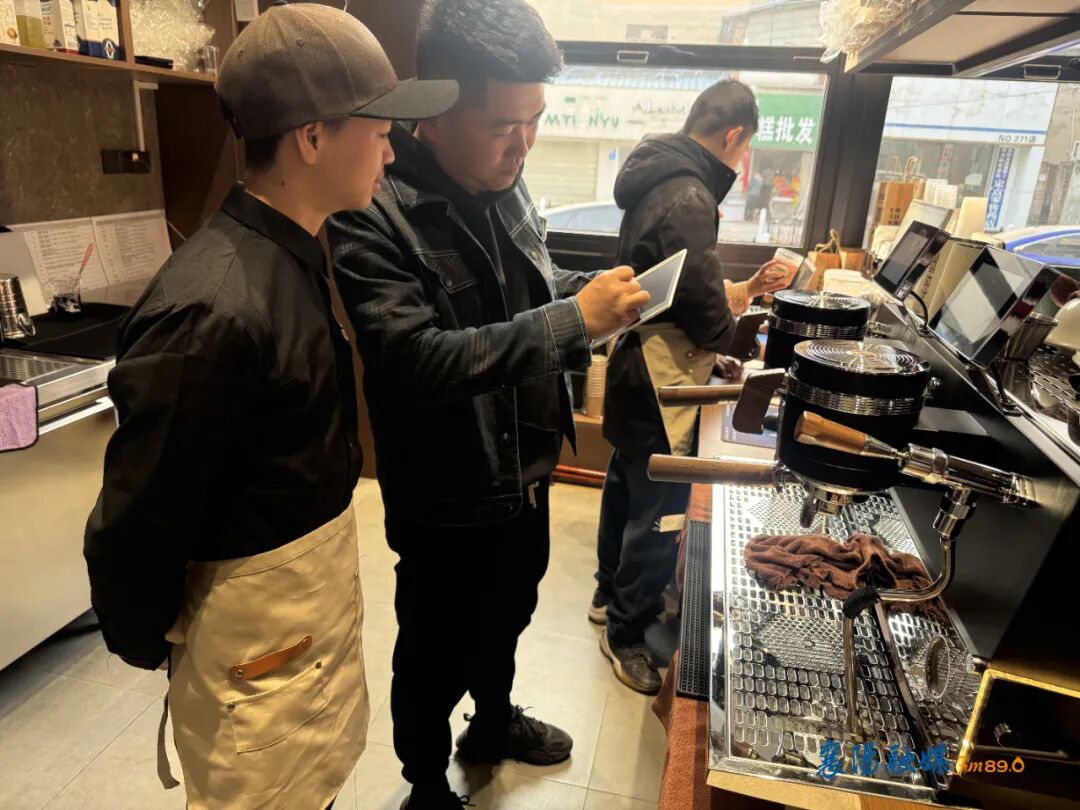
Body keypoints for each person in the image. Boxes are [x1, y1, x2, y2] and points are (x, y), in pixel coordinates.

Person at [83, 6, 458, 809]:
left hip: (297, 636)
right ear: (311, 137)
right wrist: (159, 640)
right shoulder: (213, 307)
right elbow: (139, 519)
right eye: (379, 130)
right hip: (252, 652)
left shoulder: (294, 251)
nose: (392, 150)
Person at [327, 0, 649, 806]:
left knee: (510, 611)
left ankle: (494, 723)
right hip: (447, 490)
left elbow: (527, 290)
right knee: (433, 650)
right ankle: (424, 781)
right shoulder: (373, 209)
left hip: (526, 466)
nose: (523, 144)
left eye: (535, 120)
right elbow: (415, 360)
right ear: (435, 110)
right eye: (505, 124)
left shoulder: (506, 178)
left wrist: (598, 297)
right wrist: (572, 321)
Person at [591, 79, 791, 694]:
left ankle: (607, 594)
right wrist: (730, 340)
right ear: (732, 135)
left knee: (626, 484)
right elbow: (703, 312)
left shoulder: (660, 174)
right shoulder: (691, 193)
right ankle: (627, 631)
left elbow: (676, 286)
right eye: (744, 147)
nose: (742, 159)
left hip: (637, 360)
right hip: (663, 374)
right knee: (658, 512)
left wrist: (741, 295)